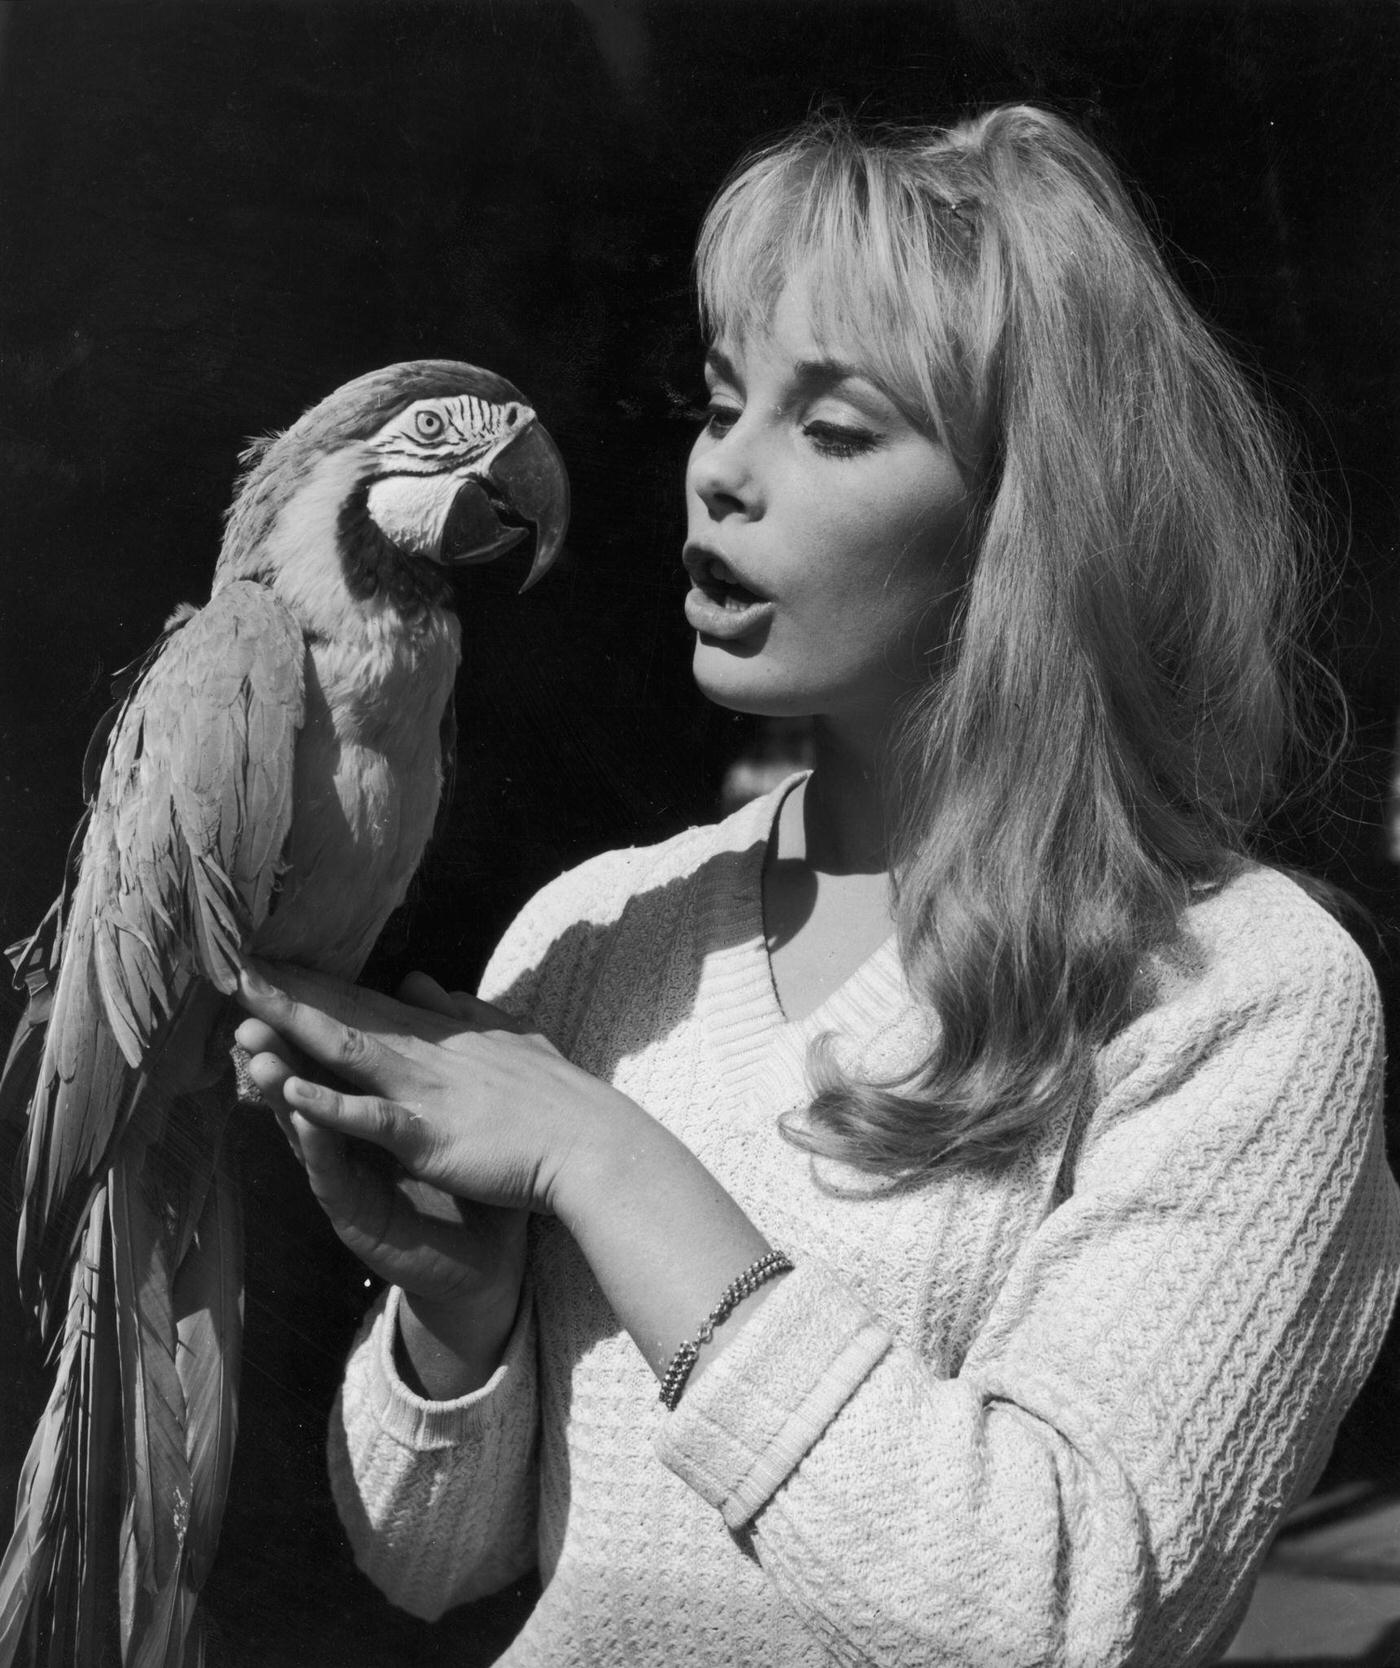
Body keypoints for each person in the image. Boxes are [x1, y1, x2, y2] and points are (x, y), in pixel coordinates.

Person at [235, 104, 1400, 1666]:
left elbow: (1057, 1612)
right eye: (724, 405)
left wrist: (606, 1159)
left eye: (834, 429)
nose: (719, 475)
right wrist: (456, 1311)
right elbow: (426, 1558)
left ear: (1024, 524)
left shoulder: (1245, 991)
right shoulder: (598, 933)